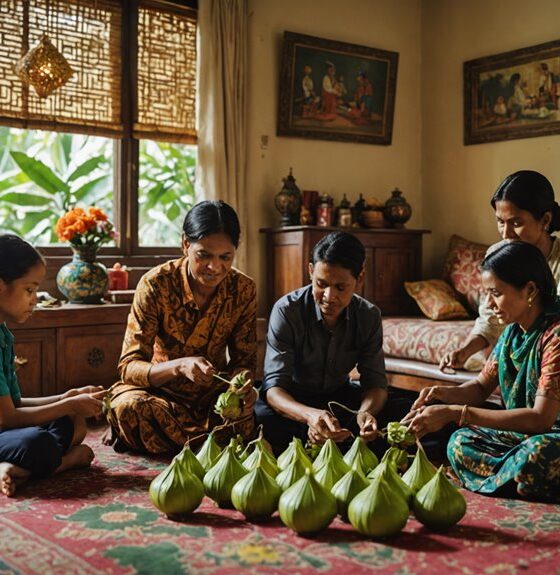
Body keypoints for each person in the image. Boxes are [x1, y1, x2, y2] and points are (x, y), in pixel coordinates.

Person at [407, 242, 560, 501]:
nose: (489, 303)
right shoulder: (512, 330)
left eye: (496, 293)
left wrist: (456, 412)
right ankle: (519, 481)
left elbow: (540, 420)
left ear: (530, 289)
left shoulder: (555, 335)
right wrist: (441, 395)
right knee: (459, 442)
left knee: (536, 454)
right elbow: (479, 389)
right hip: (522, 436)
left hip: (549, 436)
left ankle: (518, 477)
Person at [105, 201, 257, 453]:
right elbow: (128, 367)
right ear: (186, 244)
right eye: (204, 255)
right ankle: (205, 445)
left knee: (244, 418)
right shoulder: (155, 284)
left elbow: (245, 362)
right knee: (128, 408)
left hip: (211, 399)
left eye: (225, 257)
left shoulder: (243, 289)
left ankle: (161, 442)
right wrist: (178, 366)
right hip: (158, 395)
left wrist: (243, 390)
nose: (214, 267)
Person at [255, 231, 411, 455]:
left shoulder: (369, 316)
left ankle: (328, 439)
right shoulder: (287, 310)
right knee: (260, 417)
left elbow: (375, 383)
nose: (329, 296)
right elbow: (274, 389)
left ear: (360, 278)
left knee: (403, 409)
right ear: (310, 271)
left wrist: (365, 414)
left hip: (339, 399)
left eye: (341, 287)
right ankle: (333, 439)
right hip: (294, 401)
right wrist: (309, 416)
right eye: (321, 284)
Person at [0, 234, 105, 497]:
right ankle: (64, 462)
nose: (35, 299)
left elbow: (14, 403)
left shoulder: (4, 333)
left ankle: (16, 468)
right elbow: (7, 417)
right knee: (38, 443)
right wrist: (68, 404)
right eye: (29, 289)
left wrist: (66, 398)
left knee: (71, 421)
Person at [440, 170, 560, 372]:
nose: (506, 234)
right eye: (500, 221)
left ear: (545, 220)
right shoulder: (497, 253)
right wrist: (464, 351)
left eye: (516, 223)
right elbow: (491, 317)